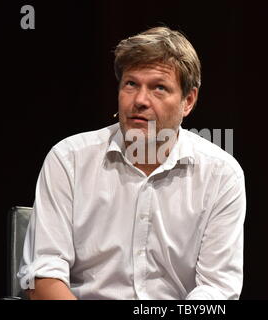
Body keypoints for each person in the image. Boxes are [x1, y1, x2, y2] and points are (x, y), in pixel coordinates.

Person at [17, 26, 246, 300]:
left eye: (158, 88)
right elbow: (44, 275)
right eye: (131, 84)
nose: (139, 100)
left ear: (188, 101)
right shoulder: (69, 159)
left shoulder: (221, 174)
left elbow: (217, 288)